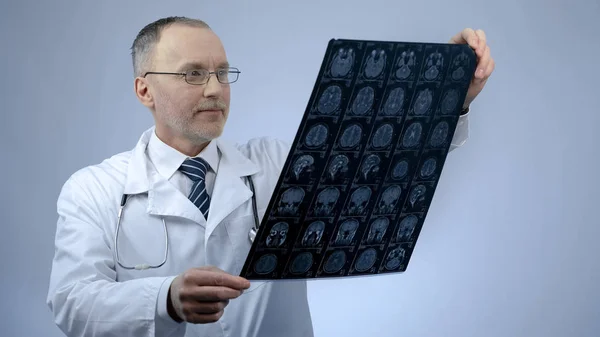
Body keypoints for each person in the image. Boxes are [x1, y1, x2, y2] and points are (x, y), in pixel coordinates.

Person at [46, 16, 495, 337]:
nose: (214, 88)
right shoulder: (95, 190)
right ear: (144, 89)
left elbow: (385, 166)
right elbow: (71, 303)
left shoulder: (278, 164)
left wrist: (448, 91)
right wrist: (165, 299)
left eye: (223, 73)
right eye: (193, 74)